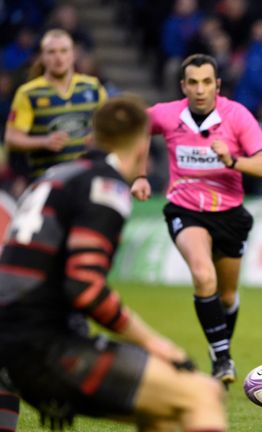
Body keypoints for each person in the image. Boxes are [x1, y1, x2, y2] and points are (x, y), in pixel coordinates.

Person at [0, 96, 227, 431]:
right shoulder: (105, 186)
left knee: (164, 410)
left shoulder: (55, 175)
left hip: (11, 341)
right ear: (141, 147)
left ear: (92, 138)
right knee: (202, 394)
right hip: (41, 346)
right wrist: (153, 342)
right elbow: (85, 285)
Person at [131, 53, 262, 386]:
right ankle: (223, 359)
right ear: (183, 86)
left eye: (206, 82)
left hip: (229, 213)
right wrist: (138, 174)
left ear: (217, 85)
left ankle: (218, 352)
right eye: (193, 83)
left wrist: (233, 160)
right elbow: (138, 125)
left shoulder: (237, 115)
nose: (200, 89)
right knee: (202, 273)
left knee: (226, 296)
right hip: (185, 208)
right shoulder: (168, 114)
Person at [4, 29, 108, 180]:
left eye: (64, 51)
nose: (58, 57)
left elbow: (110, 127)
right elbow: (12, 138)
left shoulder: (92, 87)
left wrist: (97, 138)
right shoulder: (29, 93)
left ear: (73, 55)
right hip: (47, 179)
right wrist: (44, 141)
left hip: (87, 179)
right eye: (51, 52)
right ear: (42, 57)